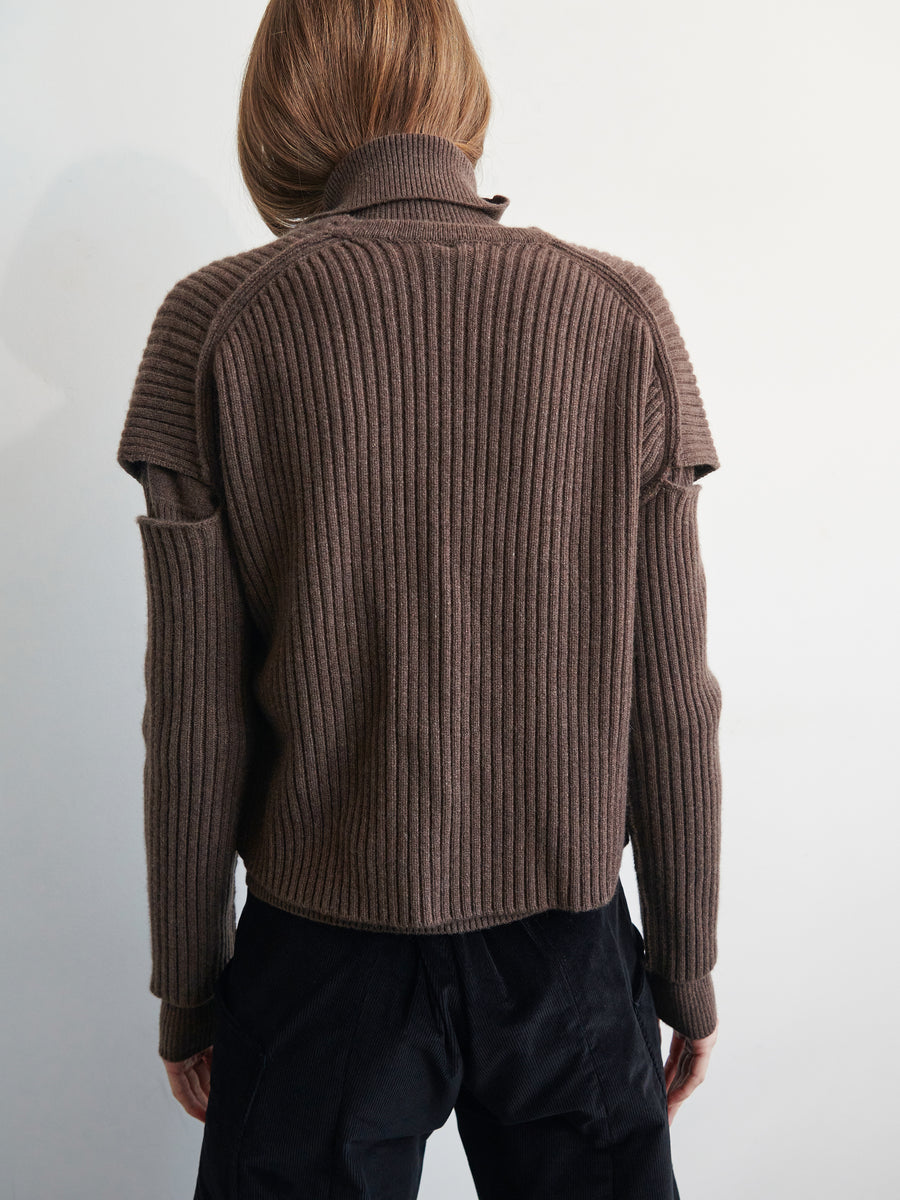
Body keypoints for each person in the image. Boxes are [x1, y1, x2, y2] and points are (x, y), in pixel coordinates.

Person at [116, 1, 723, 1196]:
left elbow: (192, 716)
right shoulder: (620, 314)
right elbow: (669, 691)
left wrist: (190, 985)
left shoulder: (217, 323)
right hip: (568, 951)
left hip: (317, 963)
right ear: (458, 88)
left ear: (277, 110)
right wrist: (683, 969)